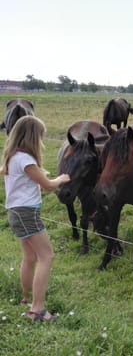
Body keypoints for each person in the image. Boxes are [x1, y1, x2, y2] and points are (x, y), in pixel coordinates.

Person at [0, 116, 70, 321]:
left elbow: (14, 175)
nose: (41, 141)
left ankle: (26, 298)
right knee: (46, 257)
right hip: (26, 214)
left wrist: (36, 173)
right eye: (40, 136)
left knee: (30, 257)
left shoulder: (13, 156)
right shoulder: (26, 160)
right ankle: (37, 310)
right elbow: (48, 186)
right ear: (32, 137)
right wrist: (61, 178)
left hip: (16, 212)